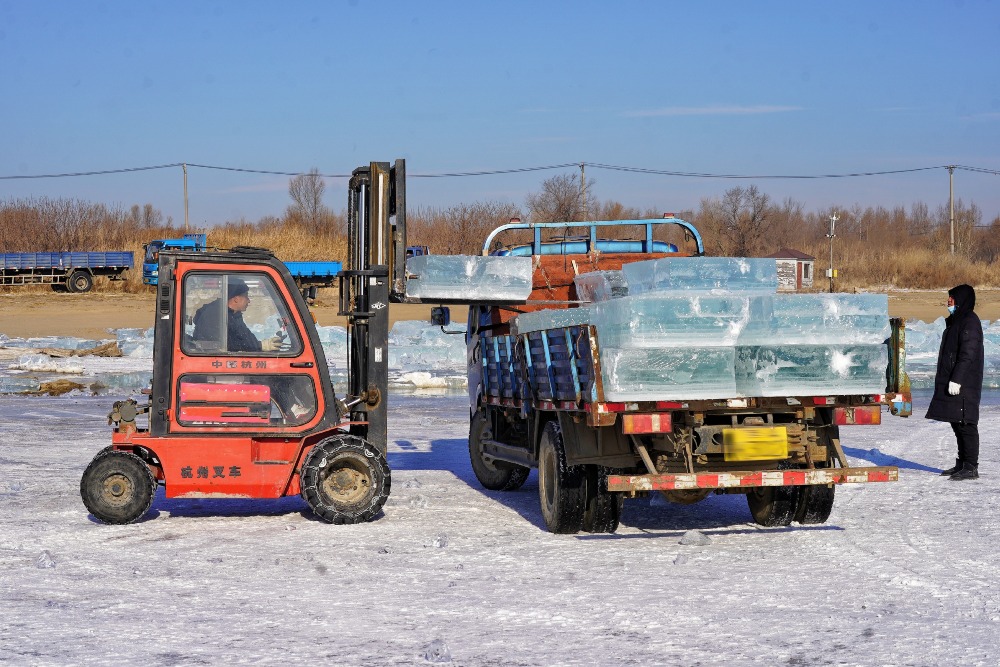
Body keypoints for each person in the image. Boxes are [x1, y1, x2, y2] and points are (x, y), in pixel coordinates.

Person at [925, 284, 984, 481]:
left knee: (966, 423)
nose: (948, 301)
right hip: (954, 379)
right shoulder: (956, 321)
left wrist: (957, 379)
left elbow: (968, 354)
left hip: (965, 383)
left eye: (952, 298)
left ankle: (971, 466)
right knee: (956, 422)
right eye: (949, 297)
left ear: (962, 300)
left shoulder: (970, 322)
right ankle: (962, 462)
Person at [192, 277, 283, 353]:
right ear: (236, 299)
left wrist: (259, 345)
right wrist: (260, 346)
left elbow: (244, 338)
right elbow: (226, 346)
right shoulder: (215, 315)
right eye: (246, 296)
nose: (248, 300)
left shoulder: (233, 314)